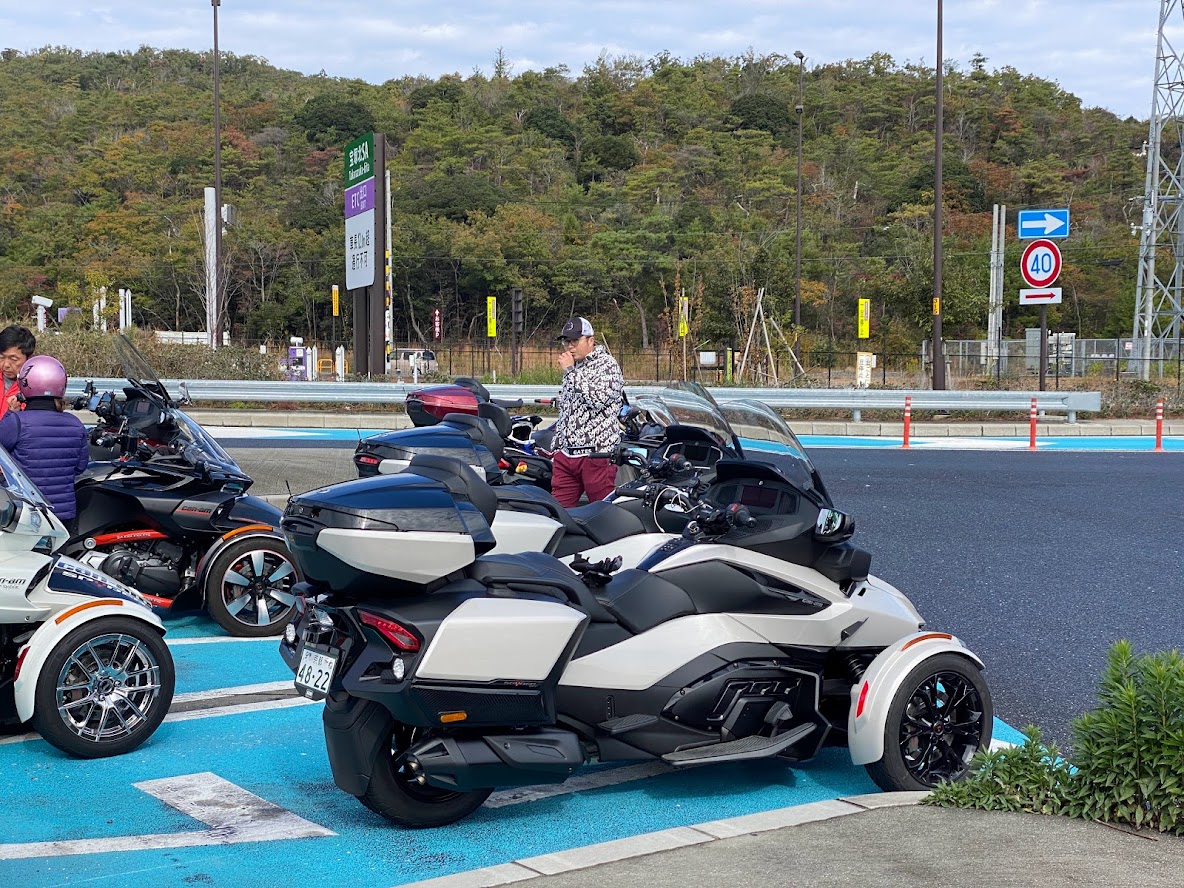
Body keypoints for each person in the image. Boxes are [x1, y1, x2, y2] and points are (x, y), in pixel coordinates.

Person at [0, 355, 89, 534]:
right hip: (62, 514)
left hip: (24, 515)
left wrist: (10, 413)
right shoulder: (75, 424)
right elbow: (80, 467)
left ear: (25, 383)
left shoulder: (17, 422)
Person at [550, 317, 624, 508]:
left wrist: (570, 371)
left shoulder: (607, 365)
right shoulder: (574, 367)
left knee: (601, 511)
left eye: (575, 341)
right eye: (567, 341)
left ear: (590, 340)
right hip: (567, 455)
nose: (570, 346)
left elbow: (597, 399)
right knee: (559, 512)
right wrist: (557, 446)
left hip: (596, 454)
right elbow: (568, 408)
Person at [0, 325, 35, 421]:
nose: (6, 365)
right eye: (1, 357)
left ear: (28, 358)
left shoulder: (34, 387)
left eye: (13, 359)